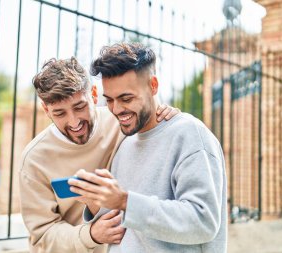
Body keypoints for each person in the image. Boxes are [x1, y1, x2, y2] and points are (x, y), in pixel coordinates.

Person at [68, 43, 227, 253]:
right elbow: (130, 224)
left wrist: (125, 201)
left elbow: (203, 221)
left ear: (153, 85)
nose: (116, 109)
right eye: (109, 100)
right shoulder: (125, 144)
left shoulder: (189, 135)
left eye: (126, 98)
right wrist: (95, 202)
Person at [19, 57, 180, 253]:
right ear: (46, 110)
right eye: (60, 113)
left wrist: (163, 114)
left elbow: (149, 119)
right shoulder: (35, 159)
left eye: (80, 107)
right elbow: (42, 235)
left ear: (94, 95)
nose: (74, 122)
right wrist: (91, 235)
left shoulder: (121, 123)